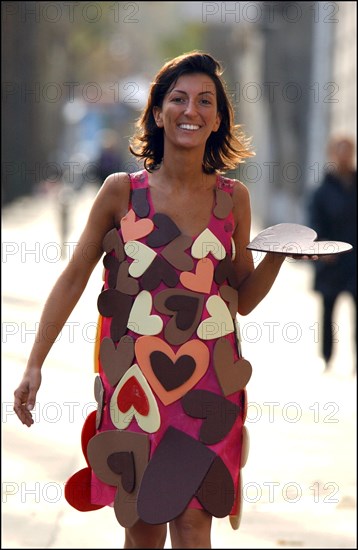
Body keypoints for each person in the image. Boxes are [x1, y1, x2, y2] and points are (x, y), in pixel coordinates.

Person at [14, 51, 313, 549]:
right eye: (178, 99)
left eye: (204, 102)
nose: (190, 110)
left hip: (210, 388)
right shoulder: (119, 193)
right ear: (157, 111)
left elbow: (240, 300)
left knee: (196, 526)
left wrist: (276, 258)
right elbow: (72, 280)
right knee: (145, 526)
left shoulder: (232, 199)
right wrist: (34, 364)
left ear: (217, 119)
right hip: (134, 386)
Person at [308, 136, 357, 371]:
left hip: (355, 263)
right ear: (332, 154)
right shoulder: (321, 192)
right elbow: (313, 226)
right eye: (340, 150)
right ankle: (326, 358)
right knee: (327, 312)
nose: (344, 155)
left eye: (348, 150)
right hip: (332, 263)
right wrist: (322, 247)